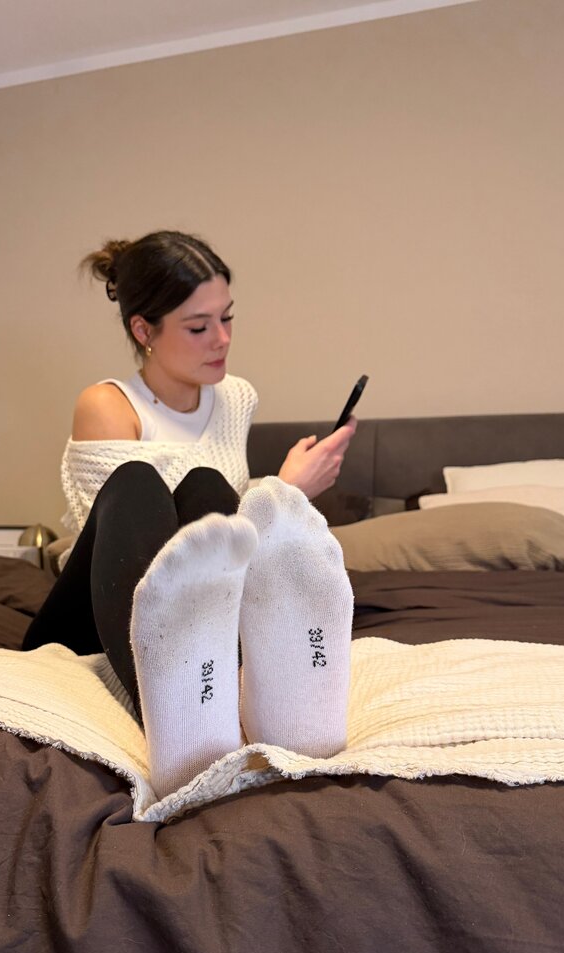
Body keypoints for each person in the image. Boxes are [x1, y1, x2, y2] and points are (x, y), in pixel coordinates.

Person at [23, 230, 357, 798]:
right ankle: (183, 715)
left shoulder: (235, 398)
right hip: (101, 617)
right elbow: (131, 545)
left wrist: (280, 495)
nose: (221, 339)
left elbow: (216, 541)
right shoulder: (107, 405)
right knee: (138, 482)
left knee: (207, 490)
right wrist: (283, 490)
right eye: (199, 327)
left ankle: (263, 697)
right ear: (143, 331)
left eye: (228, 318)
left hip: (204, 625)